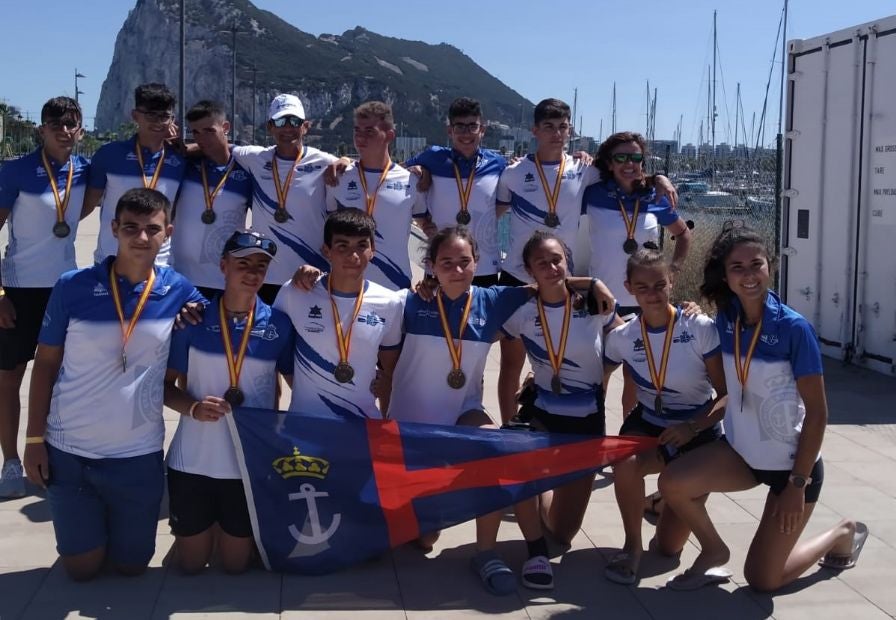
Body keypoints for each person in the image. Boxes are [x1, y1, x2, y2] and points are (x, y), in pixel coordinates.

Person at [387, 226, 613, 594]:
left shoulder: (493, 300)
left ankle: (494, 552)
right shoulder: (409, 301)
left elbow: (548, 283)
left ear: (477, 262)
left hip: (465, 414)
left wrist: (593, 282)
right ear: (429, 265)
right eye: (446, 263)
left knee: (504, 452)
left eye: (464, 262)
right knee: (425, 539)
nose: (457, 270)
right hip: (412, 429)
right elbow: (356, 298)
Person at [658, 225, 866, 591]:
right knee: (672, 482)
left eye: (757, 264)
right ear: (725, 275)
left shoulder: (793, 328)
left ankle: (841, 532)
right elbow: (730, 388)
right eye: (737, 267)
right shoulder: (725, 319)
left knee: (762, 580)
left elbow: (818, 414)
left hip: (792, 469)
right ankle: (713, 550)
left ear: (770, 267)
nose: (748, 274)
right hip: (741, 456)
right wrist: (694, 426)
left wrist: (797, 486)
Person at [23, 188, 204, 581]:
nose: (141, 238)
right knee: (82, 570)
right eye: (131, 228)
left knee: (132, 567)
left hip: (136, 456)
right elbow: (46, 364)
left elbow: (235, 314)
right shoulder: (72, 286)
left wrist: (302, 283)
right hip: (70, 451)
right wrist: (34, 440)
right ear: (113, 229)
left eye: (151, 229)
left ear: (167, 232)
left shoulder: (180, 292)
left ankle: (106, 531)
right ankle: (87, 531)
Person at [164, 230, 294, 574]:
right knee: (192, 565)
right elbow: (163, 388)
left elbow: (298, 386)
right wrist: (192, 407)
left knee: (234, 566)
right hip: (193, 460)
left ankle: (225, 533)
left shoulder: (278, 325)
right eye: (243, 263)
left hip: (246, 464)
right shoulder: (192, 320)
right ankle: (195, 537)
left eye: (261, 266)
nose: (252, 273)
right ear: (223, 266)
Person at [500, 230, 624, 589]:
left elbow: (626, 344)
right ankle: (531, 536)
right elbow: (500, 357)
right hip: (540, 412)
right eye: (542, 262)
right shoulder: (521, 311)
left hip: (586, 418)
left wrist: (602, 374)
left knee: (564, 533)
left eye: (557, 259)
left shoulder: (594, 300)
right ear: (528, 270)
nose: (551, 267)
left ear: (567, 261)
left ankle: (536, 494)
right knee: (517, 465)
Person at [602, 248, 726, 585]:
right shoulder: (623, 337)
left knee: (669, 548)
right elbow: (597, 376)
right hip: (650, 425)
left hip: (697, 428)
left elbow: (728, 395)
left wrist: (692, 426)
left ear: (672, 281)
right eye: (642, 288)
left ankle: (658, 503)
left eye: (660, 285)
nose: (652, 294)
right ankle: (632, 547)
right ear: (629, 288)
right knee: (624, 462)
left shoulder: (700, 327)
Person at [0, 96, 89, 498]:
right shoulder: (15, 171)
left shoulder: (86, 170)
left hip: (65, 291)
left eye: (71, 123)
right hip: (18, 292)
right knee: (8, 380)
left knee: (62, 382)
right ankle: (11, 463)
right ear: (42, 128)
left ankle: (55, 456)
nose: (63, 129)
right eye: (55, 122)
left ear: (81, 129)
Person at [274, 208, 403, 419]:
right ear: (327, 251)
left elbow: (390, 372)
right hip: (306, 421)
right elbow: (273, 354)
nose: (353, 256)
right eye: (342, 246)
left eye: (362, 246)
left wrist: (385, 422)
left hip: (362, 423)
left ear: (373, 250)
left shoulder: (390, 303)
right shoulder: (295, 292)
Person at [230, 94, 339, 304]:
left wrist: (420, 168)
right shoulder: (255, 157)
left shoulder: (325, 162)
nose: (287, 128)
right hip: (265, 277)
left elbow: (361, 171)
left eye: (294, 121)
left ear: (305, 126)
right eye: (280, 121)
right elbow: (219, 147)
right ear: (270, 126)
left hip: (312, 275)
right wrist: (182, 147)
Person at [583, 131, 691, 317]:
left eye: (635, 157)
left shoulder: (654, 196)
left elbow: (684, 234)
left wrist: (673, 269)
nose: (629, 163)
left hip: (646, 302)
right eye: (621, 157)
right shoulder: (592, 193)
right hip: (603, 298)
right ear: (609, 163)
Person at [325, 101, 427, 290]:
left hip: (395, 287)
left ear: (389, 135)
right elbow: (328, 230)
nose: (360, 137)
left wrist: (432, 274)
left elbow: (428, 227)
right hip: (347, 288)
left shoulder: (411, 181)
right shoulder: (339, 178)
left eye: (369, 131)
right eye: (357, 131)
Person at [405, 96, 506, 286]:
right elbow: (396, 172)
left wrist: (581, 156)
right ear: (450, 131)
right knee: (439, 315)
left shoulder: (497, 163)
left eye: (472, 126)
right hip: (441, 263)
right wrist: (418, 169)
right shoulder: (433, 157)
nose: (466, 133)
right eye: (460, 126)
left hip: (484, 265)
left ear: (482, 130)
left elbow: (505, 200)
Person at [83, 82, 184, 266]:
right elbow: (86, 206)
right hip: (111, 260)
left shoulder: (181, 160)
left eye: (164, 116)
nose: (158, 122)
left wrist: (185, 145)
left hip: (160, 264)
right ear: (135, 116)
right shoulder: (109, 155)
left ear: (172, 119)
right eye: (151, 115)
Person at [171, 100, 252, 299]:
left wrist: (344, 160)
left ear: (225, 128)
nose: (201, 138)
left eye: (209, 130)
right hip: (181, 277)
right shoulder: (185, 164)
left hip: (225, 280)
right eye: (195, 132)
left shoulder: (248, 170)